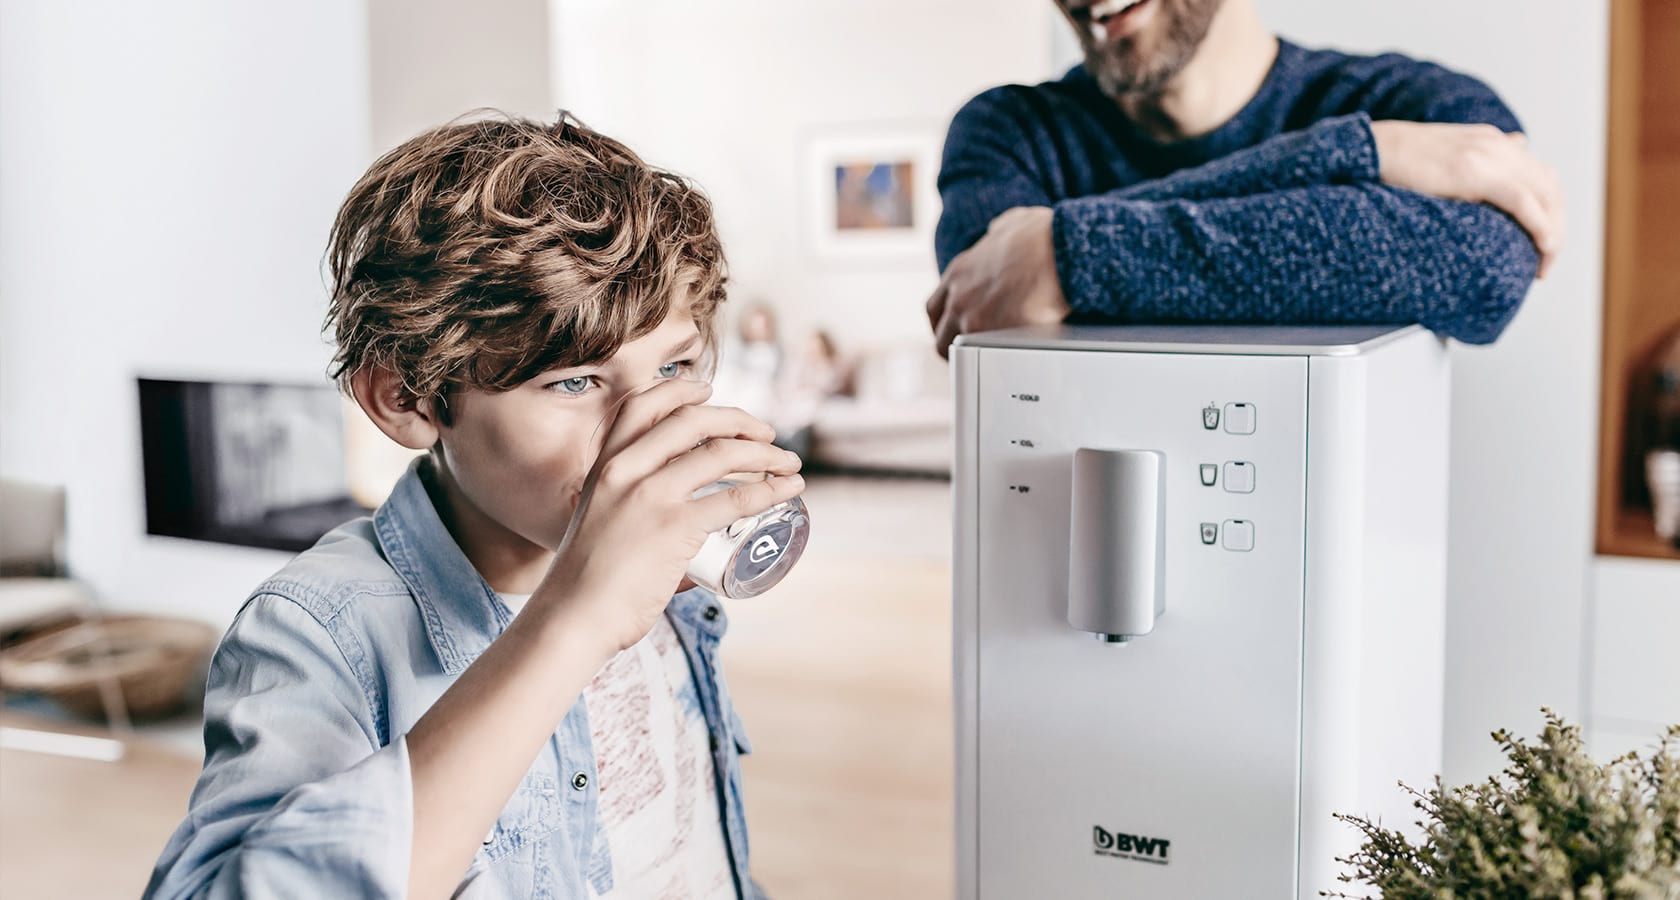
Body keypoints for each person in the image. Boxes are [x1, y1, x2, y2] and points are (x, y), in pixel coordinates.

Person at [142, 113, 802, 900]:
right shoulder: (319, 635)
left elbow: (681, 837)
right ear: (407, 399)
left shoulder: (671, 578)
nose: (649, 428)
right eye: (574, 381)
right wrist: (574, 620)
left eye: (676, 365)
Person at [926, 0, 1566, 356]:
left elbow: (1484, 266)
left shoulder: (1418, 105)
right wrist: (1358, 154)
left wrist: (1066, 254)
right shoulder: (1006, 130)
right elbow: (986, 306)